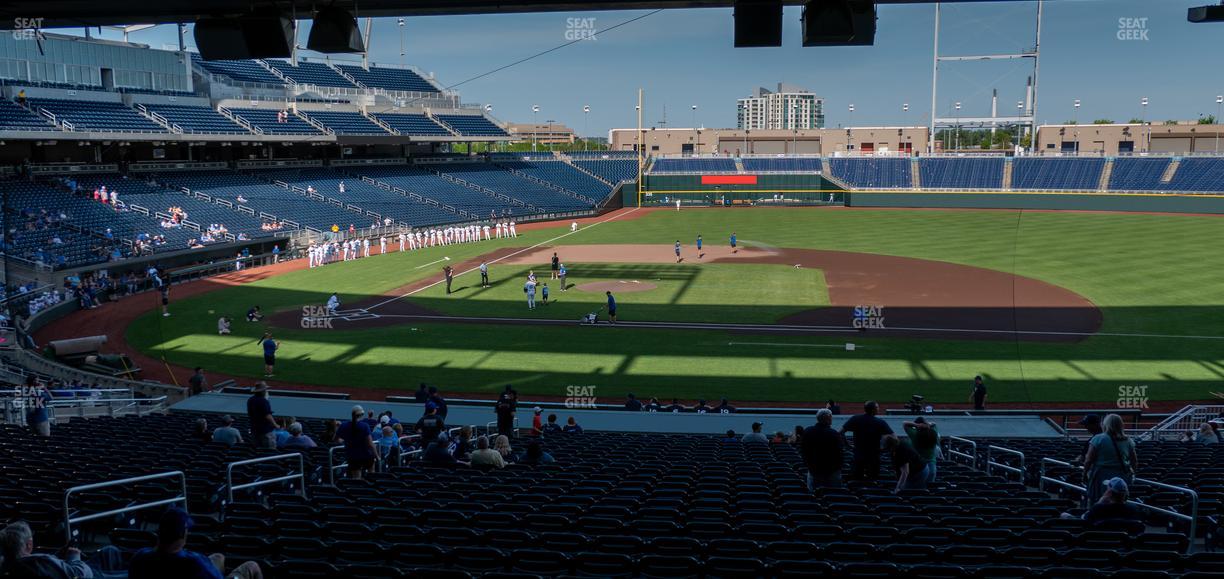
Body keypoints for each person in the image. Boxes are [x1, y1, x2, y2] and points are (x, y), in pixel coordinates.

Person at [128, 508, 262, 579]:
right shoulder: (194, 562)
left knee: (218, 557)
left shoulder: (140, 557)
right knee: (252, 566)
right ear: (183, 535)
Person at [1, 520, 96, 579]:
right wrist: (74, 557)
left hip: (65, 567)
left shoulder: (6, 565)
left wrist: (57, 555)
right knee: (109, 551)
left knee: (108, 552)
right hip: (85, 571)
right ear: (29, 544)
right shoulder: (38, 563)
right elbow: (80, 575)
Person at [1084, 413, 1138, 506]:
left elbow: (1088, 460)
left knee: (1099, 501)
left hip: (1101, 475)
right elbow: (1134, 461)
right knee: (1119, 502)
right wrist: (1133, 475)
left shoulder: (1098, 438)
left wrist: (1084, 474)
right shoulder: (1128, 440)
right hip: (1121, 476)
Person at [840, 401, 893, 481]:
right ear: (873, 410)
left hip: (858, 456)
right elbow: (894, 438)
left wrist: (847, 444)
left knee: (857, 480)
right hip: (874, 457)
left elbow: (840, 432)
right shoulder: (881, 422)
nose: (878, 409)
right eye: (877, 407)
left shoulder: (855, 419)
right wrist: (884, 448)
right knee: (872, 480)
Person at [801, 409, 844, 489]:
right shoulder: (834, 434)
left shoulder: (807, 431)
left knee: (814, 493)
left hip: (813, 469)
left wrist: (809, 465)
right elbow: (839, 454)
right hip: (831, 471)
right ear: (829, 418)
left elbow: (804, 450)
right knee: (834, 494)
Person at [338, 405, 377, 479]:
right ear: (362, 414)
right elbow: (370, 444)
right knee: (371, 474)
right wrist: (377, 456)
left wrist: (345, 440)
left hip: (352, 456)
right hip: (366, 455)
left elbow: (336, 439)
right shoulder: (365, 426)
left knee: (356, 478)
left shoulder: (343, 425)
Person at [903, 417, 940, 484]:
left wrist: (916, 425)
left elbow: (905, 424)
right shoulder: (934, 432)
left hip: (917, 466)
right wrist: (927, 424)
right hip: (931, 465)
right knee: (930, 488)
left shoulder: (914, 434)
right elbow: (934, 424)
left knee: (915, 488)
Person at [246, 382, 276, 449]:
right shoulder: (263, 401)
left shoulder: (250, 399)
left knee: (257, 450)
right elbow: (268, 415)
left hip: (254, 430)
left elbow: (250, 413)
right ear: (262, 391)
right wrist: (275, 425)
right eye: (265, 390)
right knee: (269, 450)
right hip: (265, 431)